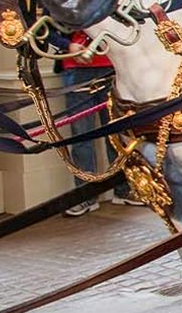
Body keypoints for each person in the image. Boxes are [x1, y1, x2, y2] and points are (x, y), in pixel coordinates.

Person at [57, 30, 135, 215]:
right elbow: (45, 29)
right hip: (76, 68)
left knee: (117, 134)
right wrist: (67, 45)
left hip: (110, 65)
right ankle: (86, 196)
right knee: (82, 136)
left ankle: (123, 189)